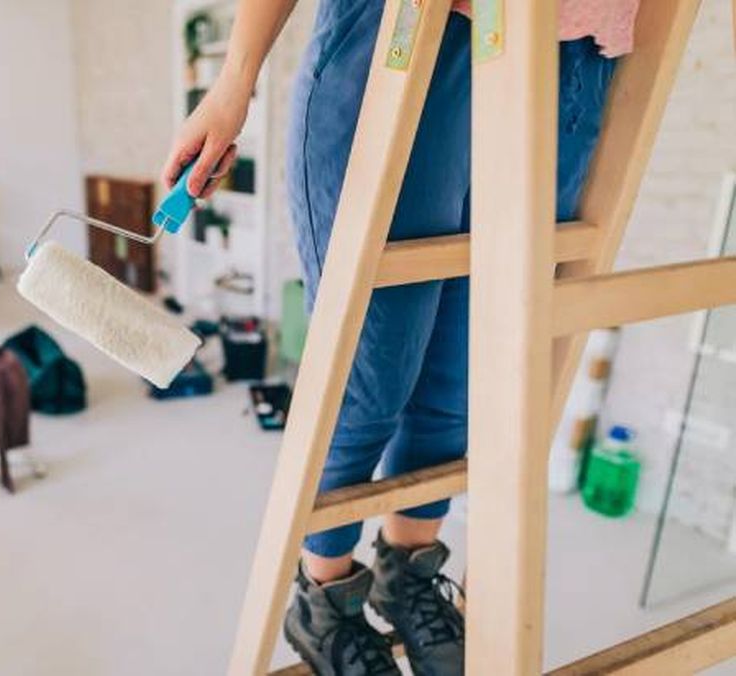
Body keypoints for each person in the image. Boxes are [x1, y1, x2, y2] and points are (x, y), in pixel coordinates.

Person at [162, 1, 639, 674]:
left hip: (568, 54)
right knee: (369, 381)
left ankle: (408, 573)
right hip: (416, 32)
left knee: (461, 383)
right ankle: (324, 599)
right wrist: (234, 80)